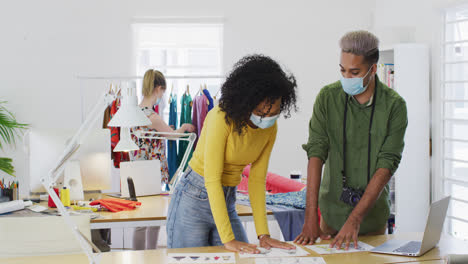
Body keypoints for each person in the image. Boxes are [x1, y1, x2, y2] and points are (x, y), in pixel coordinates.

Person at [167, 55, 298, 253]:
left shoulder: (270, 128)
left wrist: (264, 235)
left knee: (245, 256)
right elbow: (212, 179)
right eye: (263, 112)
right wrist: (228, 239)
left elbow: (257, 180)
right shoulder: (221, 117)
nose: (269, 117)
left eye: (275, 112)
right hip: (194, 197)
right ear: (248, 101)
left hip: (227, 198)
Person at [294, 30, 408, 250]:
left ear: (373, 69)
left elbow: (388, 162)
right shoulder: (327, 97)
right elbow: (316, 153)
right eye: (343, 70)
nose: (347, 77)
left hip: (373, 220)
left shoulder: (394, 106)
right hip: (331, 216)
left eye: (354, 72)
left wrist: (355, 220)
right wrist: (310, 217)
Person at [131, 69, 195, 250]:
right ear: (158, 88)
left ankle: (141, 257)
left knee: (141, 219)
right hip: (151, 172)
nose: (162, 97)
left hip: (138, 170)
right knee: (150, 219)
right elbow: (173, 136)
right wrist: (183, 127)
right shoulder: (152, 116)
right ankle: (149, 256)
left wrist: (166, 130)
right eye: (162, 92)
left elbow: (154, 134)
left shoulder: (134, 111)